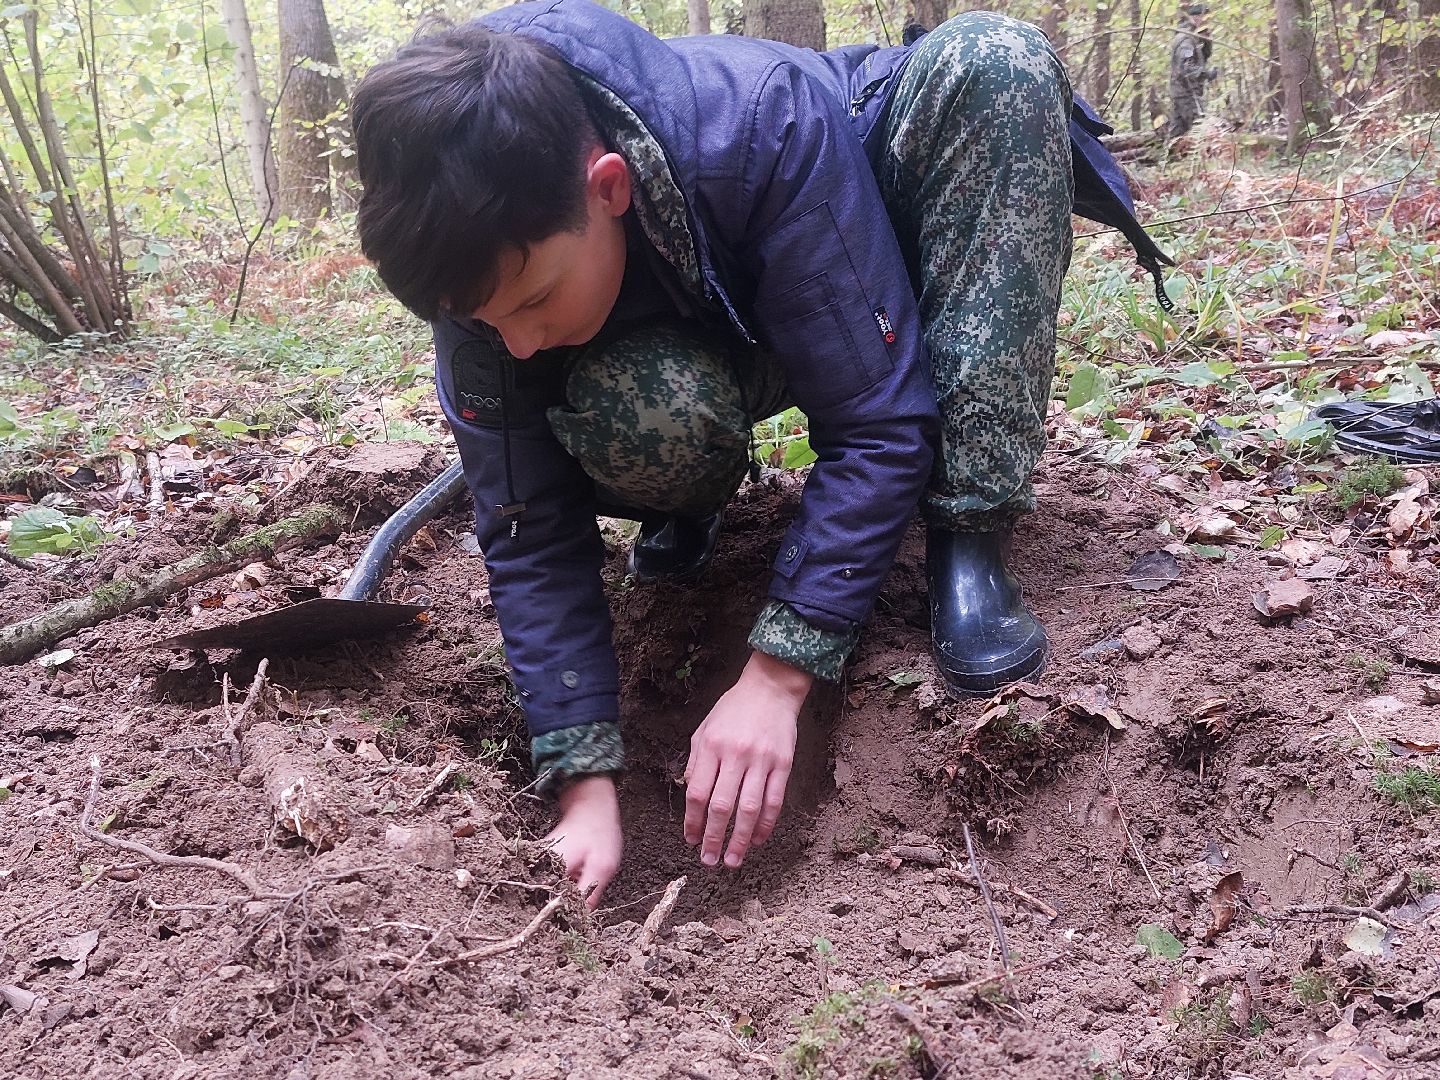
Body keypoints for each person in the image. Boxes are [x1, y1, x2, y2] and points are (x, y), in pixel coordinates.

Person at [353, 0, 1169, 907]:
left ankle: (968, 526)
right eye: (482, 320)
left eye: (535, 300)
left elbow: (878, 421)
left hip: (848, 250)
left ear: (608, 187)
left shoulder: (761, 122)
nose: (515, 345)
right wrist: (581, 774)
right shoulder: (473, 252)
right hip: (699, 337)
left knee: (996, 55)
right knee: (642, 411)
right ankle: (683, 500)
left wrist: (778, 676)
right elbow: (526, 523)